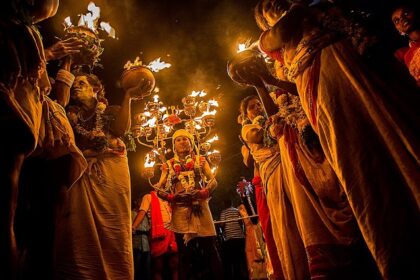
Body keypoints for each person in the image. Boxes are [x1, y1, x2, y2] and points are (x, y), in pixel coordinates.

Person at [255, 0, 420, 278]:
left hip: (356, 70)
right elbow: (277, 36)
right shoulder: (280, 34)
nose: (277, 2)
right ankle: (397, 255)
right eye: (269, 5)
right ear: (264, 20)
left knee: (394, 135)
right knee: (359, 161)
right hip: (324, 86)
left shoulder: (320, 10)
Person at [0, 1, 85, 279]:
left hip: (31, 136)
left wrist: (64, 61)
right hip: (15, 122)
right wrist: (51, 54)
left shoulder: (26, 32)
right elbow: (35, 80)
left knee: (28, 221)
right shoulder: (19, 30)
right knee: (7, 216)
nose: (57, 3)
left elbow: (51, 96)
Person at [55, 73, 150, 279]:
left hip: (111, 175)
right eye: (74, 85)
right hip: (83, 175)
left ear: (95, 89)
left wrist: (128, 97)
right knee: (79, 227)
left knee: (113, 227)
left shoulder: (111, 111)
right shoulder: (70, 115)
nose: (76, 88)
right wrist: (87, 153)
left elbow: (120, 130)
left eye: (82, 84)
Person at [155, 128, 223, 280]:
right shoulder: (169, 164)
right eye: (178, 140)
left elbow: (213, 181)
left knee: (210, 248)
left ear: (191, 143)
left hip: (201, 207)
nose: (182, 142)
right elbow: (159, 188)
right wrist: (171, 197)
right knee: (184, 253)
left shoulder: (201, 160)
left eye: (185, 139)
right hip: (180, 210)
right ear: (174, 145)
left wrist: (203, 192)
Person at [132, 191, 178, 280]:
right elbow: (142, 212)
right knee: (158, 267)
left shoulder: (169, 198)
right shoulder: (148, 197)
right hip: (158, 233)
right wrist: (133, 226)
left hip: (172, 232)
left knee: (174, 265)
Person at [392, 2, 420, 86]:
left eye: (406, 13)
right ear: (399, 31)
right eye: (397, 20)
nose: (402, 19)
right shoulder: (407, 56)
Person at [219, 199, 248, 280]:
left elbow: (221, 224)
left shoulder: (223, 212)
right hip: (240, 237)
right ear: (231, 203)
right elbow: (241, 222)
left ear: (224, 204)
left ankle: (236, 276)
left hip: (230, 238)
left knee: (233, 258)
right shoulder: (236, 210)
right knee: (241, 257)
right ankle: (244, 274)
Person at [131, 198, 151, 280]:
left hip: (146, 243)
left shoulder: (146, 214)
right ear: (136, 202)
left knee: (147, 267)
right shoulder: (131, 213)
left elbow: (149, 227)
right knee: (136, 266)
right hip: (136, 242)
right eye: (141, 201)